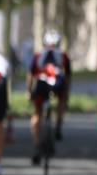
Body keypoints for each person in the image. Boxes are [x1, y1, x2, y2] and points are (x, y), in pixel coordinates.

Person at [27, 29, 72, 165]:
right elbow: (68, 76)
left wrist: (29, 91)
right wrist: (67, 95)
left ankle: (36, 146)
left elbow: (31, 74)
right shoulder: (63, 56)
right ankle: (58, 124)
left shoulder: (38, 56)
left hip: (41, 85)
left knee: (37, 114)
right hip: (58, 85)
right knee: (62, 100)